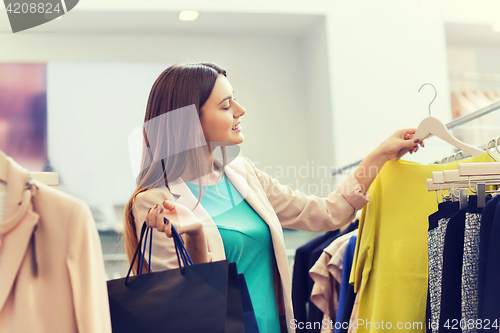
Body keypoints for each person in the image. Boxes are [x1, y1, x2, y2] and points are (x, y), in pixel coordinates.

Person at [124, 63, 424, 333]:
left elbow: (327, 213)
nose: (240, 110)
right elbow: (185, 306)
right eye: (227, 105)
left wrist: (381, 154)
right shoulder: (153, 201)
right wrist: (194, 233)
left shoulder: (243, 175)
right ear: (190, 120)